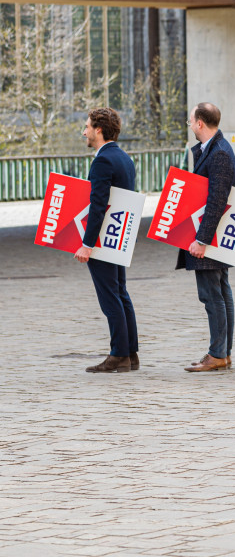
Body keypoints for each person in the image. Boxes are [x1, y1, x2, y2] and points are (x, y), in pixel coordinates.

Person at [75, 108, 139, 374]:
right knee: (121, 294)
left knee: (110, 297)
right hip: (118, 235)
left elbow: (98, 205)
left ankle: (118, 355)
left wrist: (87, 245)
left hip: (103, 240)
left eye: (87, 126)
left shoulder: (102, 161)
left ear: (99, 130)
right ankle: (131, 353)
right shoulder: (124, 157)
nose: (84, 131)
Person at [179, 103, 235, 373]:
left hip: (210, 239)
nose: (190, 125)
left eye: (191, 121)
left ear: (200, 123)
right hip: (211, 236)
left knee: (212, 295)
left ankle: (217, 354)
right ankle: (221, 353)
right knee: (220, 293)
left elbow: (217, 200)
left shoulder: (220, 153)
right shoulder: (214, 150)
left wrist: (202, 240)